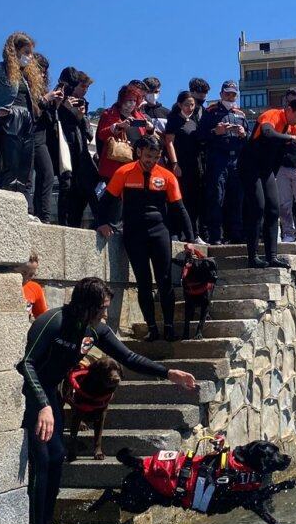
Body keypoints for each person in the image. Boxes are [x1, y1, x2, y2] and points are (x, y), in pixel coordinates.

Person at [19, 277, 198, 524]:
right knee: (43, 460)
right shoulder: (52, 322)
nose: (105, 313)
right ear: (87, 305)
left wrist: (168, 373)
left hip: (50, 395)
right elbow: (27, 364)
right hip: (33, 396)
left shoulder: (95, 330)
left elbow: (129, 358)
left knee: (56, 457)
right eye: (102, 307)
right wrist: (42, 404)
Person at [96, 136, 194, 342]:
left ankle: (169, 328)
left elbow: (179, 208)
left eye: (156, 157)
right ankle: (152, 328)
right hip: (134, 234)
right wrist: (102, 222)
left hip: (160, 232)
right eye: (149, 156)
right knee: (144, 282)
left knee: (165, 281)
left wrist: (190, 239)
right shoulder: (124, 172)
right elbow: (105, 201)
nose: (152, 161)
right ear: (139, 152)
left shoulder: (167, 176)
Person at [0, 32, 51, 213]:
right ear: (14, 51)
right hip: (8, 121)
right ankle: (8, 210)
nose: (30, 57)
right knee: (9, 168)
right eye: (26, 52)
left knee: (25, 170)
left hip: (27, 121)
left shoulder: (26, 76)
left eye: (31, 53)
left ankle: (25, 210)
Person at [240, 97, 296, 268]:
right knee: (258, 207)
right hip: (249, 165)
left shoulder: (292, 128)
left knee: (273, 209)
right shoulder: (273, 115)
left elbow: (280, 153)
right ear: (289, 110)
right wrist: (292, 138)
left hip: (267, 170)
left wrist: (274, 172)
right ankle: (252, 257)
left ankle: (272, 256)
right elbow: (267, 133)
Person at [196, 80, 247, 245]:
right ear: (221, 94)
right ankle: (216, 236)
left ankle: (236, 235)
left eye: (233, 94)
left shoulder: (240, 113)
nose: (230, 96)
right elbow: (200, 136)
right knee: (216, 197)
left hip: (236, 159)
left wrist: (243, 133)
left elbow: (248, 139)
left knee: (237, 198)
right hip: (218, 158)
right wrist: (215, 131)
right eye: (227, 93)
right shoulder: (211, 111)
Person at [54, 67, 99, 226]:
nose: (84, 91)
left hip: (80, 149)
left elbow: (89, 133)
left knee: (87, 183)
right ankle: (65, 223)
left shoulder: (82, 103)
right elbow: (52, 120)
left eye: (87, 88)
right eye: (82, 86)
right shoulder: (59, 99)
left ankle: (81, 221)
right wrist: (64, 107)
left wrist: (80, 115)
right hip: (64, 146)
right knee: (67, 184)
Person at [163, 91, 205, 243]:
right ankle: (175, 232)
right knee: (178, 198)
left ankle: (194, 233)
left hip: (195, 165)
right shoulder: (174, 120)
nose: (190, 108)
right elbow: (169, 143)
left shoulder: (194, 121)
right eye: (187, 104)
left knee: (195, 199)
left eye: (192, 105)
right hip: (180, 164)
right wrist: (175, 164)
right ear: (180, 105)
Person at [95, 83, 146, 182]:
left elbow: (145, 139)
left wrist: (150, 130)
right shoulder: (109, 114)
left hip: (135, 165)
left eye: (134, 101)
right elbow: (101, 135)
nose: (132, 104)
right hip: (114, 165)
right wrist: (118, 126)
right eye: (129, 100)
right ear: (122, 100)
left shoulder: (140, 116)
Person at [28, 52, 57, 221]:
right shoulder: (24, 85)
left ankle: (44, 215)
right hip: (27, 135)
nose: (43, 75)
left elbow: (48, 118)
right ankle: (29, 211)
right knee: (26, 178)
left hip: (41, 138)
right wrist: (45, 99)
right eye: (40, 71)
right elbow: (30, 111)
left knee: (47, 174)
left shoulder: (43, 89)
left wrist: (54, 104)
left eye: (45, 72)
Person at [21, 253, 48, 320]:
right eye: (23, 273)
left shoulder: (35, 288)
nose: (26, 278)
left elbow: (43, 318)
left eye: (31, 275)